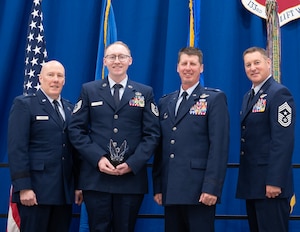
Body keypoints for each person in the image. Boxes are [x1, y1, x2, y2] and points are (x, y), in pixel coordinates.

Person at [68, 41, 160, 232]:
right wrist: (98, 158)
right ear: (104, 61)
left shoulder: (144, 93)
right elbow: (76, 130)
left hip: (130, 180)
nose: (117, 61)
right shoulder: (89, 90)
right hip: (96, 177)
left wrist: (133, 163)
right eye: (112, 57)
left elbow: (152, 134)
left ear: (130, 61)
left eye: (122, 57)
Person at [152, 47, 230, 232]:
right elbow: (161, 147)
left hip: (199, 190)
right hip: (171, 189)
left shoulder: (214, 99)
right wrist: (159, 186)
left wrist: (212, 187)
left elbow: (219, 146)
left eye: (193, 64)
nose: (188, 68)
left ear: (201, 68)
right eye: (184, 63)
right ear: (177, 68)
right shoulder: (165, 102)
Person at [8, 60, 82, 232]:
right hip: (35, 192)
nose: (55, 79)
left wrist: (78, 185)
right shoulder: (25, 104)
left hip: (63, 193)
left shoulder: (70, 109)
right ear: (40, 78)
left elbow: (75, 152)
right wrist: (24, 187)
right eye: (51, 75)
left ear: (64, 80)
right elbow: (17, 148)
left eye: (59, 76)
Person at [236, 47, 295, 232]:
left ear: (268, 63)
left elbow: (282, 142)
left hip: (271, 186)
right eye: (248, 64)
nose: (252, 68)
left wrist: (275, 181)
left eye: (257, 62)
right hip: (253, 184)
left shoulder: (279, 94)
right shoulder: (248, 97)